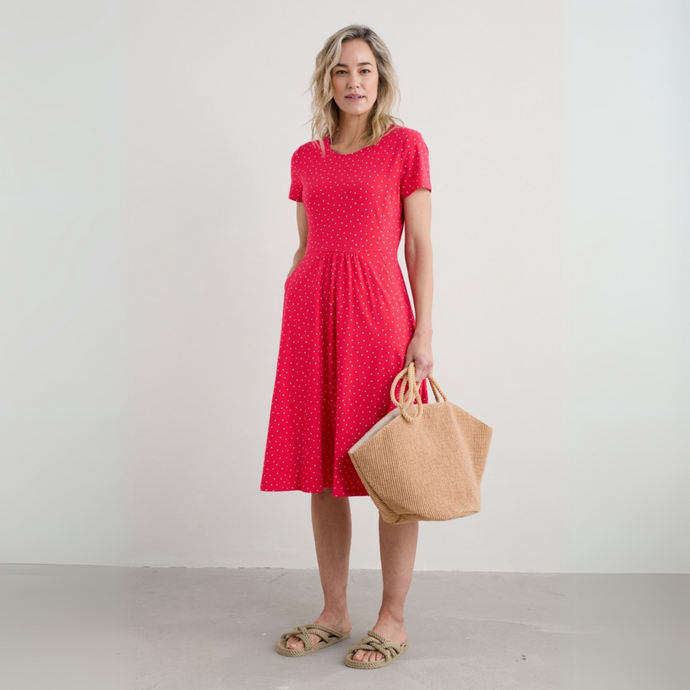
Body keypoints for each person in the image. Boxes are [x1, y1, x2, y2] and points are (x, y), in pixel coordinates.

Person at [260, 24, 434, 670]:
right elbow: (306, 244)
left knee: (393, 468)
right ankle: (333, 612)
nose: (353, 81)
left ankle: (394, 619)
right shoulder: (307, 158)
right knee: (322, 471)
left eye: (363, 69)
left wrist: (423, 331)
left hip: (379, 316)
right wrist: (295, 296)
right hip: (311, 318)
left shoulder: (405, 147)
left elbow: (419, 246)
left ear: (380, 76)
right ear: (326, 80)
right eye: (341, 70)